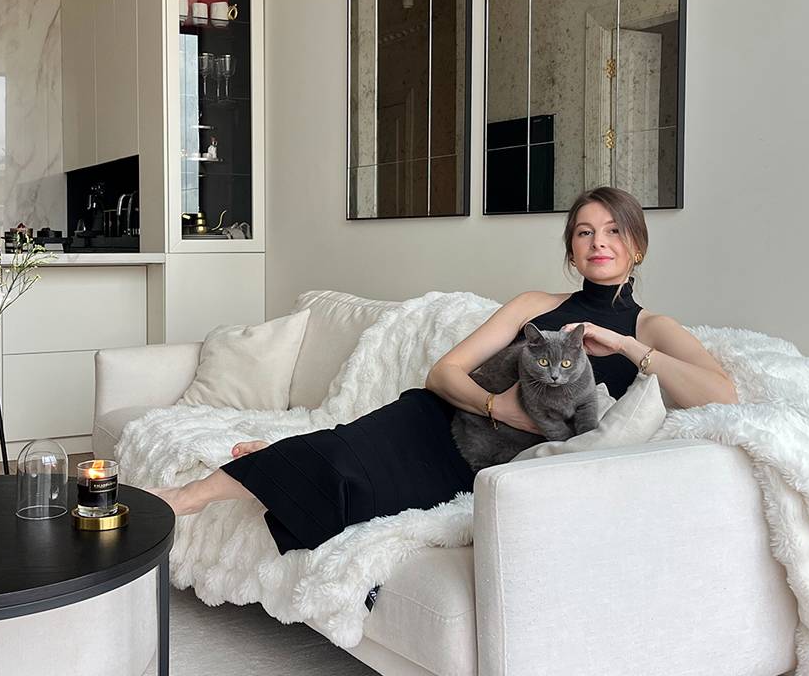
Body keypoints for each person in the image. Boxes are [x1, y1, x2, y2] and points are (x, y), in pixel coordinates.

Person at [150, 187, 739, 554]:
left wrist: (624, 345)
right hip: (439, 418)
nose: (598, 242)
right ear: (571, 249)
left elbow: (722, 393)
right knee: (340, 453)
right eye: (584, 232)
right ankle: (186, 498)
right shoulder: (536, 305)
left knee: (354, 483)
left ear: (637, 245)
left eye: (613, 231)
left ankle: (274, 459)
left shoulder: (651, 328)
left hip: (481, 458)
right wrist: (497, 406)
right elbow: (445, 373)